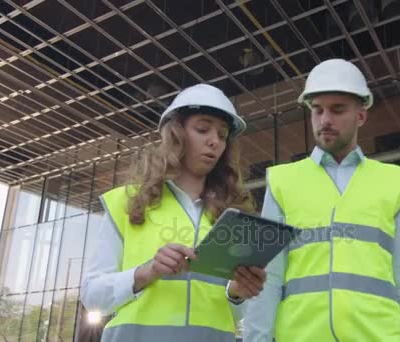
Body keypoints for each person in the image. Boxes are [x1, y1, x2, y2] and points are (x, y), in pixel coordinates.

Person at [242, 59, 400, 342]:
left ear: (361, 115)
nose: (325, 120)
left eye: (337, 109)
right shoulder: (283, 182)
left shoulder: (394, 182)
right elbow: (268, 279)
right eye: (317, 110)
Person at [81, 83, 267, 341]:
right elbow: (92, 297)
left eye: (223, 135)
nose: (214, 141)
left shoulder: (232, 214)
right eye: (202, 129)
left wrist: (236, 293)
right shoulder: (127, 202)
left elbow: (233, 315)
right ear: (176, 134)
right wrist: (147, 272)